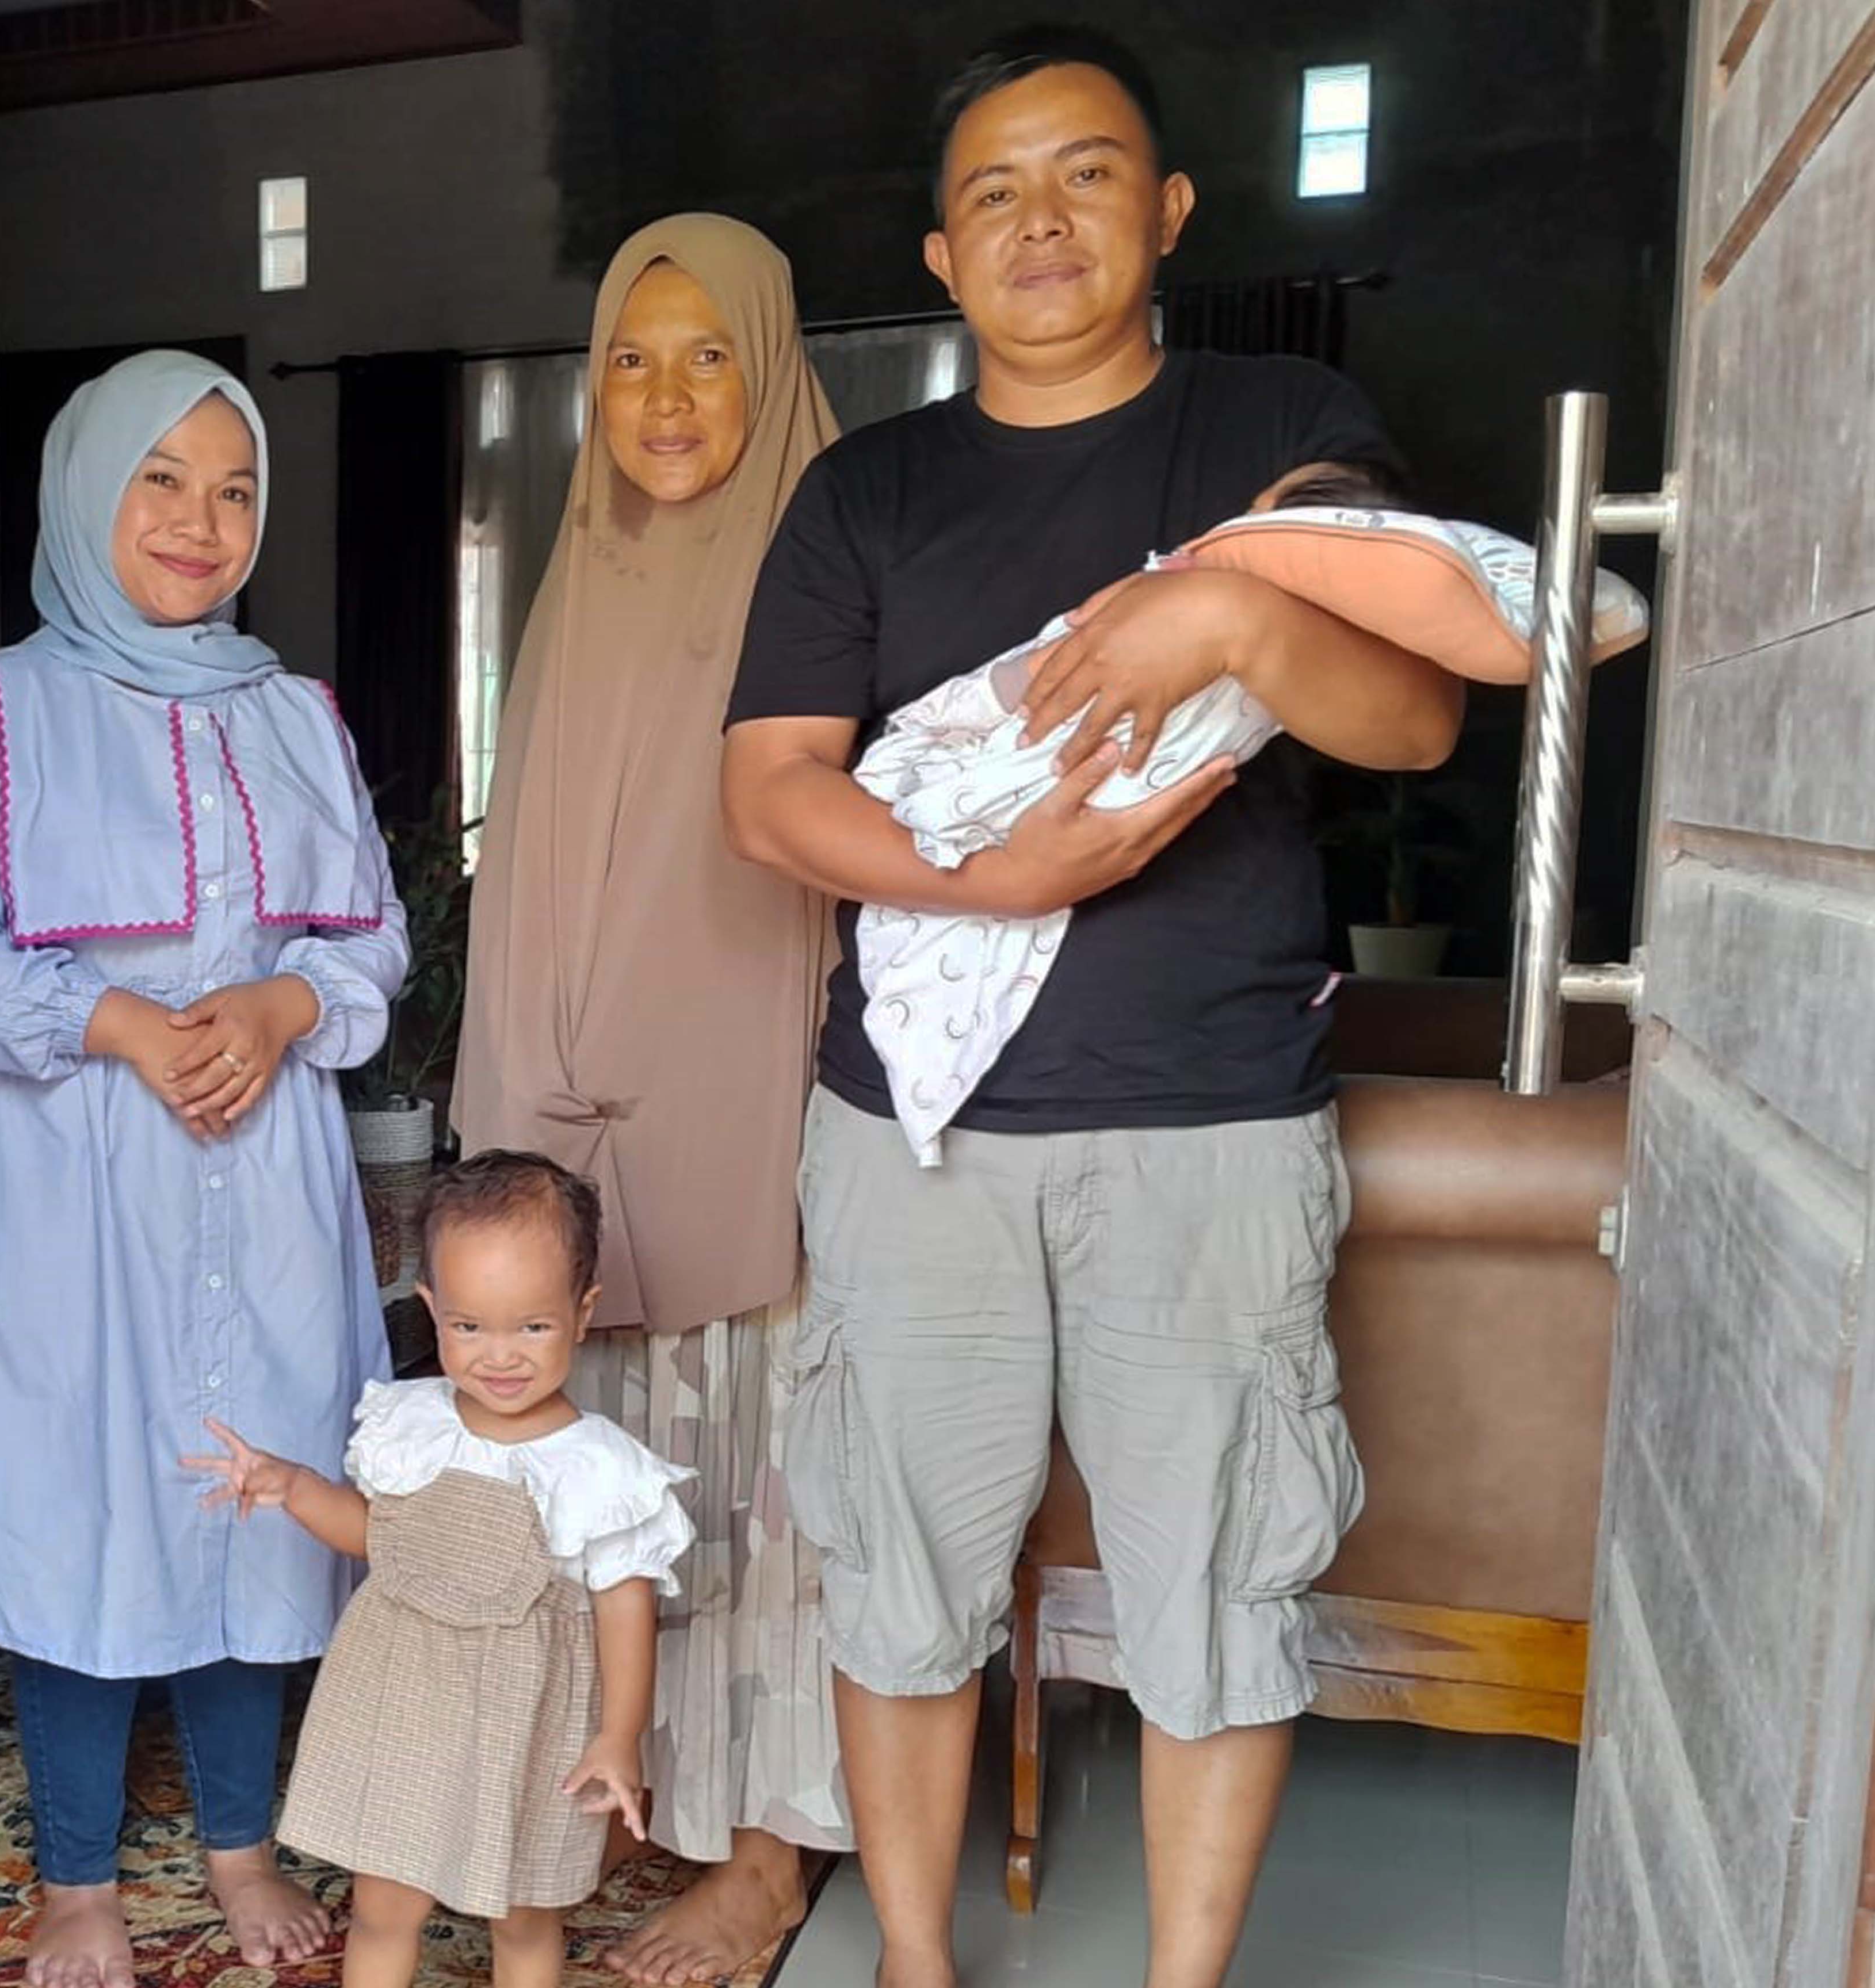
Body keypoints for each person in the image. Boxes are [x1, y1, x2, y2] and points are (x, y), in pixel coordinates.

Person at [720, 27, 1465, 1988]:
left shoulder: (1279, 427)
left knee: (1217, 1584)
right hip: (914, 1134)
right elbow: (770, 790)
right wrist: (996, 879)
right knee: (899, 1574)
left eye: (1086, 173)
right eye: (993, 191)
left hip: (1211, 1120)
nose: (1039, 220)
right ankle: (912, 1961)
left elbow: (1413, 718)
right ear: (941, 255)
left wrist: (1232, 615)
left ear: (1170, 211)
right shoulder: (868, 489)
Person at [0, 350, 406, 1988]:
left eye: (234, 489)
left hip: (261, 1163)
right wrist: (108, 1018)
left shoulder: (293, 714)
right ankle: (79, 1879)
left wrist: (282, 1003)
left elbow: (374, 943)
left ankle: (241, 1845)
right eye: (161, 479)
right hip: (67, 1173)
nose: (201, 519)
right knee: (82, 1498)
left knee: (252, 1490)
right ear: (86, 488)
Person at [452, 212, 850, 1984]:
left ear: (772, 375)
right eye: (630, 358)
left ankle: (767, 1857)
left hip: (756, 1108)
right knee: (606, 1473)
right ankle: (633, 1793)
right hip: (567, 1114)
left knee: (768, 1484)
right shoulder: (575, 577)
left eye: (709, 358)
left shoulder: (827, 568)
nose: (667, 397)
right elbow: (525, 879)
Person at [184, 1152, 697, 1988]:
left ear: (582, 1312)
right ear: (433, 1310)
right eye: (469, 1328)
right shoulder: (410, 1426)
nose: (501, 1356)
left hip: (530, 1723)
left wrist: (619, 1736)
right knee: (385, 1906)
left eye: (532, 1327)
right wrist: (295, 1488)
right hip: (407, 1705)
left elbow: (624, 1608)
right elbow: (381, 1539)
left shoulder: (599, 1470)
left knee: (524, 1917)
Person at [853, 458, 1407, 1162]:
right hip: (1021, 773)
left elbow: (1411, 730)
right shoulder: (1173, 585)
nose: (1232, 530)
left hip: (1212, 1089)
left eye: (1259, 519)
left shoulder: (1294, 638)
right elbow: (1070, 645)